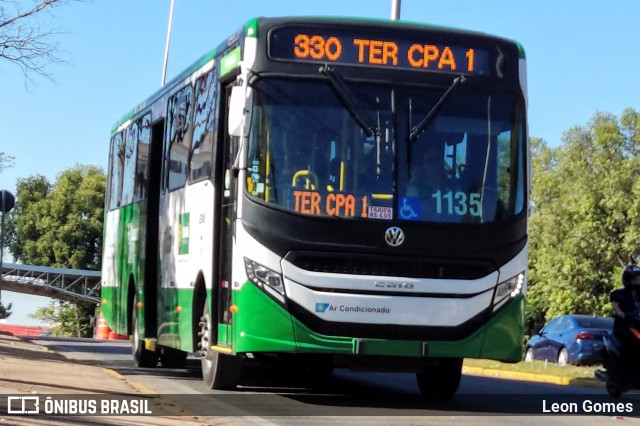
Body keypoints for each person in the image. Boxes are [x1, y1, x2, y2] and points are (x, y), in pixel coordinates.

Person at [611, 264, 640, 350]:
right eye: (635, 279)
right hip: (625, 325)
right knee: (628, 342)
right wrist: (622, 314)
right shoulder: (618, 294)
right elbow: (616, 307)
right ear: (628, 279)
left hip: (637, 324)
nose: (638, 280)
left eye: (639, 278)